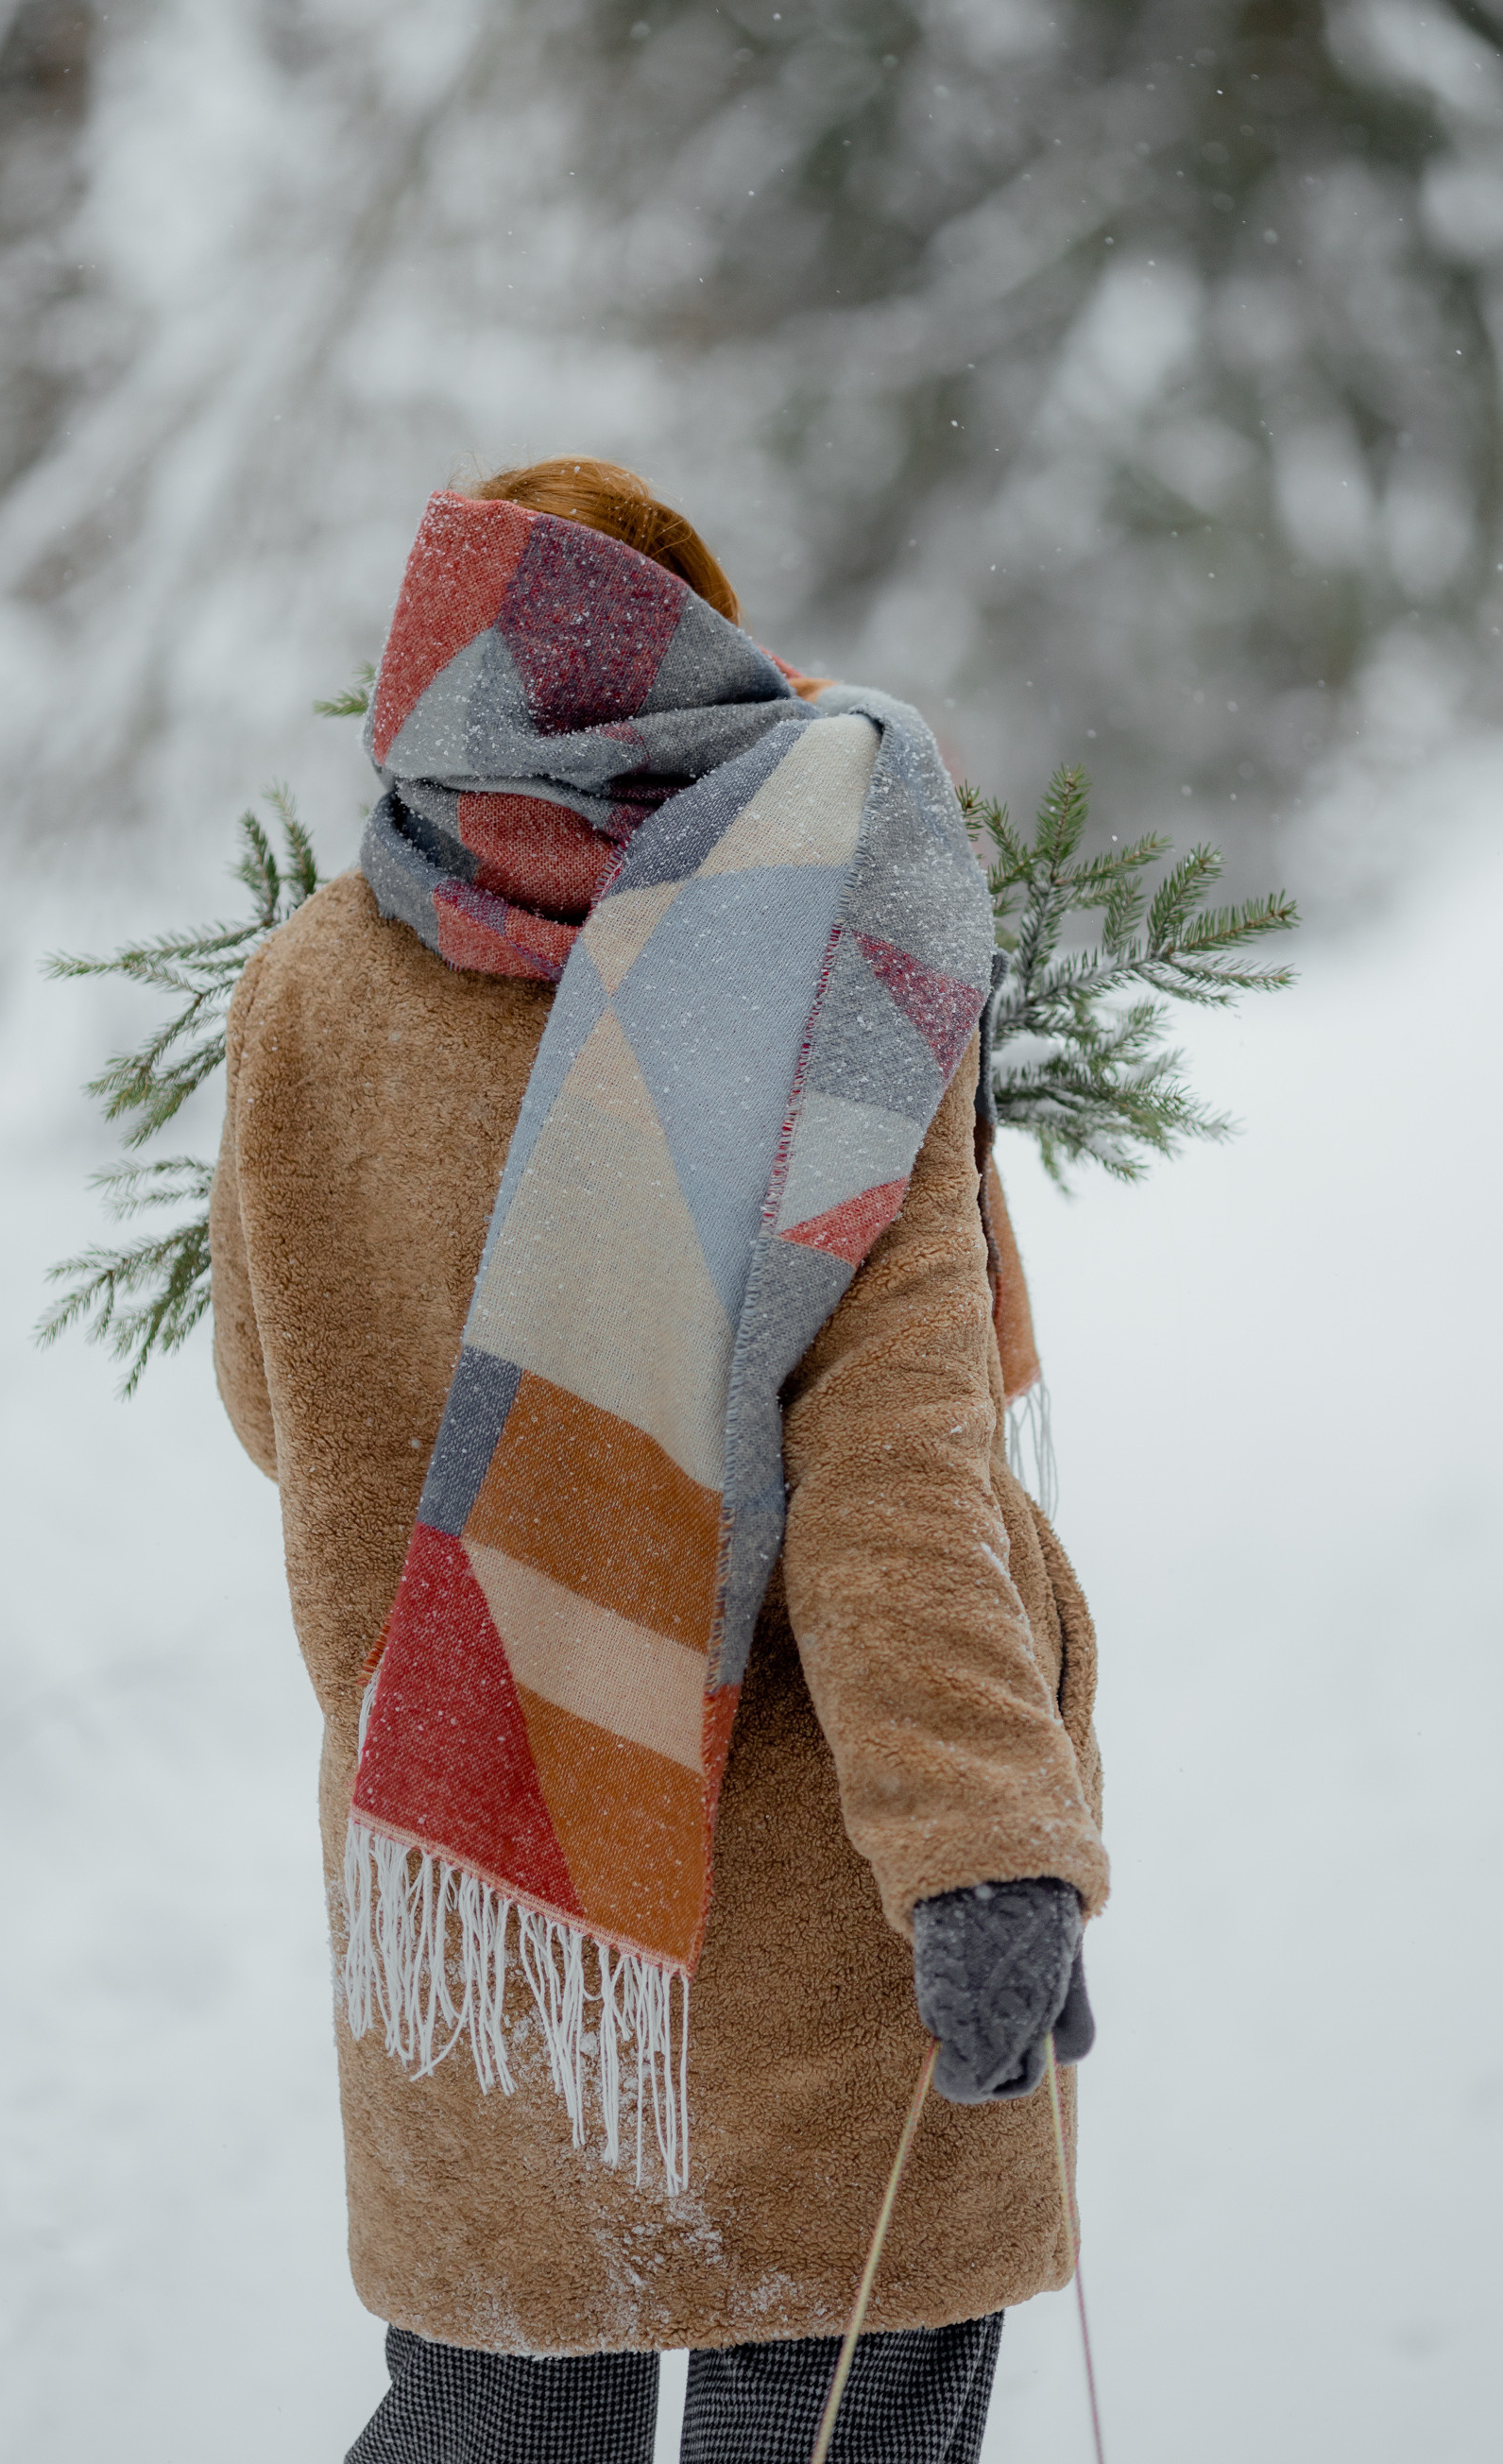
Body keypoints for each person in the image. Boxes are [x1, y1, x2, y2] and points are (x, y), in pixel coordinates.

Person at [210, 458, 1108, 2463]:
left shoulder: (308, 994)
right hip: (805, 1905)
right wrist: (980, 1842)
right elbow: (893, 1467)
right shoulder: (831, 967)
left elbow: (269, 1400)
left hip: (479, 1883)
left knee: (498, 2426)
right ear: (694, 660)